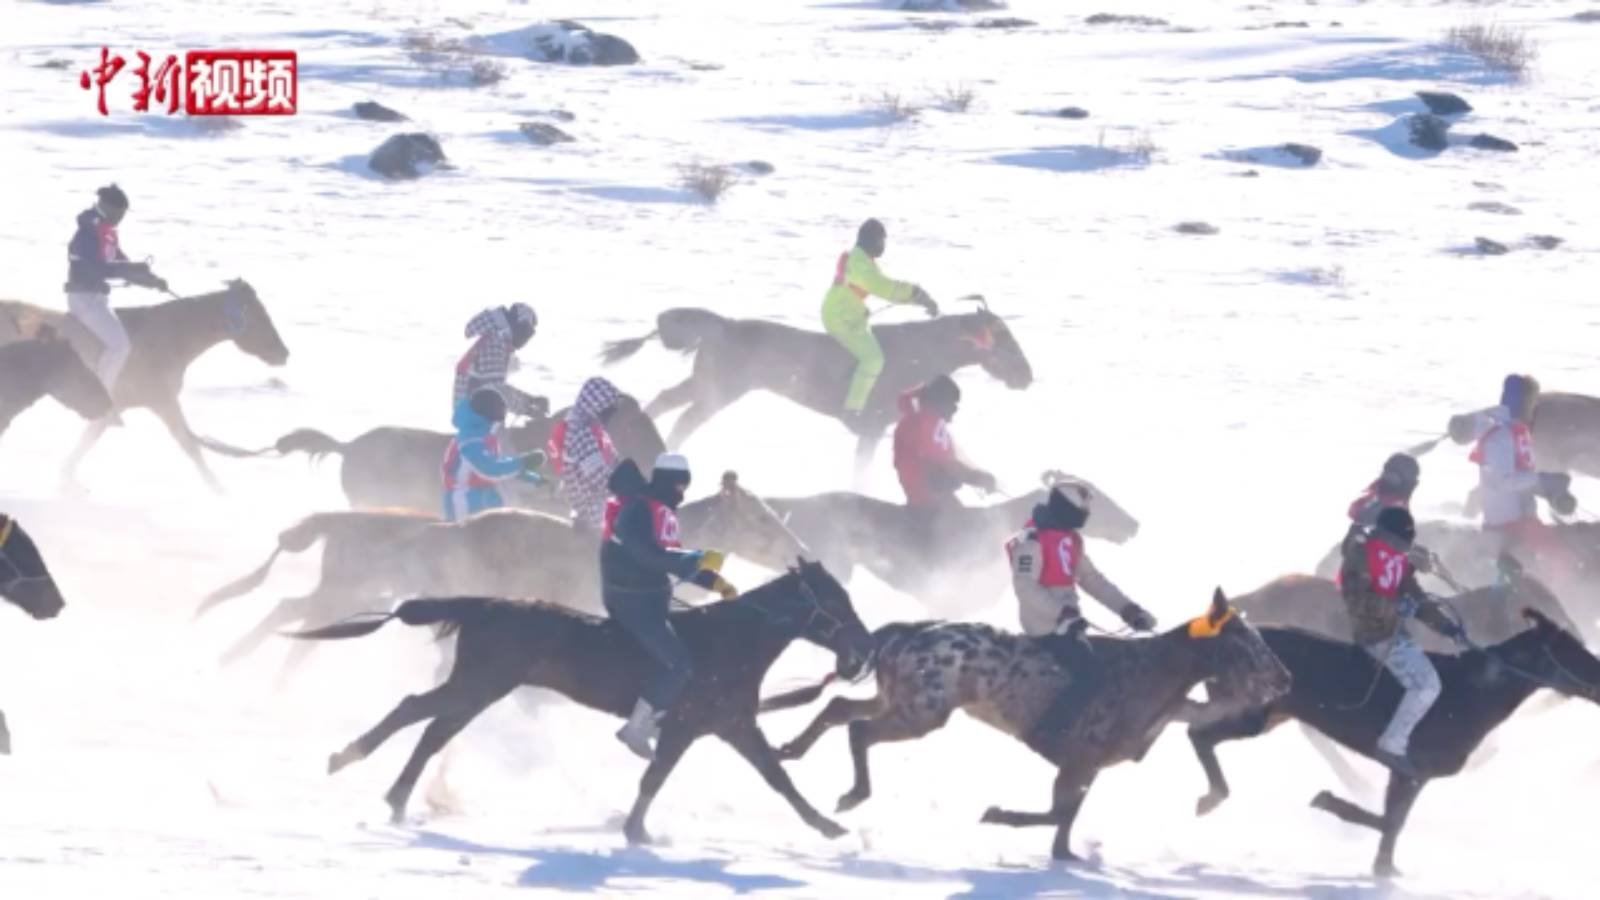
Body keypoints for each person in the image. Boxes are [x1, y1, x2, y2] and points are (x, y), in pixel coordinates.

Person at [601, 453, 737, 759]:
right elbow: (646, 555)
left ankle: (656, 712)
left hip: (650, 596)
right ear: (666, 481)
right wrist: (697, 557)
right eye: (679, 486)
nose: (682, 493)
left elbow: (670, 560)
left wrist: (713, 582)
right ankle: (634, 728)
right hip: (630, 599)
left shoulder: (660, 512)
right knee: (679, 663)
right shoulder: (637, 509)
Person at [1339, 506, 1465, 778]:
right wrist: (1396, 605)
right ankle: (1391, 746)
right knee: (1427, 685)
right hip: (1373, 634)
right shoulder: (1361, 556)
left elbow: (1414, 597)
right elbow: (1357, 602)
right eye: (1400, 542)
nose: (1404, 548)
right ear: (1385, 535)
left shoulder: (1397, 560)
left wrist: (1444, 626)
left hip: (1395, 630)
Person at [1448, 375, 1574, 560]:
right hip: (1507, 524)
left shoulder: (1517, 433)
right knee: (1561, 558)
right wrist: (1541, 480)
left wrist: (1551, 490)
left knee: (1556, 549)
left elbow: (1521, 480)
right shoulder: (1501, 435)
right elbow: (1502, 481)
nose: (1534, 409)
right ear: (1523, 403)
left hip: (1522, 521)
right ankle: (1567, 587)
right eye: (1532, 402)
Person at [821, 219, 938, 417]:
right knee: (873, 359)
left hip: (846, 314)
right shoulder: (860, 264)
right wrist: (916, 294)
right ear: (872, 241)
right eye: (881, 242)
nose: (882, 246)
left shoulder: (862, 260)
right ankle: (853, 408)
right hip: (841, 318)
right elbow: (884, 287)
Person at [1006, 482, 1156, 636]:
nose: (1086, 512)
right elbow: (1025, 587)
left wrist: (1127, 609)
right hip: (1044, 632)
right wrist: (1061, 613)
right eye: (1083, 507)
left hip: (1069, 627)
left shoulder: (1070, 540)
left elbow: (1092, 580)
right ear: (1067, 507)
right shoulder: (1032, 540)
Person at [65, 184, 168, 396]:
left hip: (98, 299)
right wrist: (130, 271)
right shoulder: (86, 234)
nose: (120, 218)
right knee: (119, 346)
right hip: (84, 298)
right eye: (117, 213)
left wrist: (150, 279)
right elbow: (98, 269)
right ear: (105, 207)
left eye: (122, 214)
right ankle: (100, 396)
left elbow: (121, 263)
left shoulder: (107, 233)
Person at [892, 374, 997, 510]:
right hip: (928, 499)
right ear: (939, 402)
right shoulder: (924, 424)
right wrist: (974, 478)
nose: (954, 410)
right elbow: (934, 464)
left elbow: (947, 460)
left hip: (931, 495)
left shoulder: (930, 421)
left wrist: (974, 476)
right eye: (951, 404)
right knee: (956, 519)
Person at [440, 388, 545, 522]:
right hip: (463, 506)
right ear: (488, 413)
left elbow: (500, 464)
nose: (502, 417)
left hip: (483, 503)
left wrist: (534, 479)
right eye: (500, 411)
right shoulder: (469, 440)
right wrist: (522, 462)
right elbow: (489, 469)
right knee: (473, 542)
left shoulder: (484, 436)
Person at [551, 377, 623, 532]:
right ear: (597, 405)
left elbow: (615, 462)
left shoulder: (594, 428)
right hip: (592, 509)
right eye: (609, 409)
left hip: (602, 499)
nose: (611, 414)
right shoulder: (580, 432)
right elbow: (600, 478)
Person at [453, 303, 548, 419]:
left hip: (470, 416)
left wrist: (529, 402)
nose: (524, 340)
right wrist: (528, 406)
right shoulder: (495, 345)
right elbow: (498, 391)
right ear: (516, 326)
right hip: (476, 419)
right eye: (525, 331)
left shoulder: (495, 340)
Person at [1347, 453, 1420, 528]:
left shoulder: (1399, 504)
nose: (1390, 478)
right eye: (1389, 473)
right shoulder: (1375, 489)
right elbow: (1353, 508)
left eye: (1395, 476)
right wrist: (1360, 512)